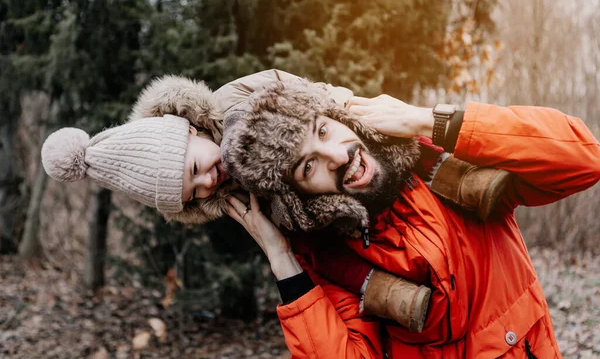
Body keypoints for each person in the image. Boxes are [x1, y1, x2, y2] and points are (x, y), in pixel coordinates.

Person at [41, 70, 512, 334]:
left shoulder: (233, 101)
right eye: (194, 192)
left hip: (333, 134)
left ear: (188, 130)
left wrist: (341, 104)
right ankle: (386, 292)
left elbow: (293, 88)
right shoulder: (223, 195)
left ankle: (458, 178)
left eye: (195, 169)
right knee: (325, 258)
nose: (208, 181)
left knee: (392, 147)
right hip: (313, 213)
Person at [220, 78, 600, 358]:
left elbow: (582, 161)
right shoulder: (330, 256)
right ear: (299, 197)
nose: (335, 155)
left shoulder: (444, 159)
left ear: (342, 117)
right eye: (307, 166)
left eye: (322, 130)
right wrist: (284, 262)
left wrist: (429, 121)